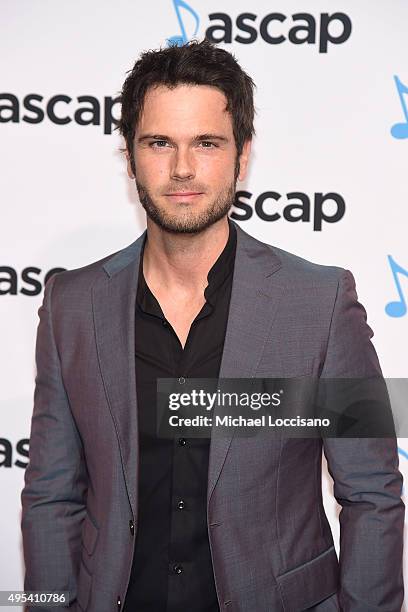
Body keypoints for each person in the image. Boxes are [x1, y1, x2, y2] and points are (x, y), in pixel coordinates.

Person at [21, 39, 404, 612]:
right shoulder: (72, 304)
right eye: (158, 143)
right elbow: (51, 498)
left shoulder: (318, 302)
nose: (181, 168)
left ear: (241, 156)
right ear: (129, 157)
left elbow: (372, 496)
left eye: (206, 143)